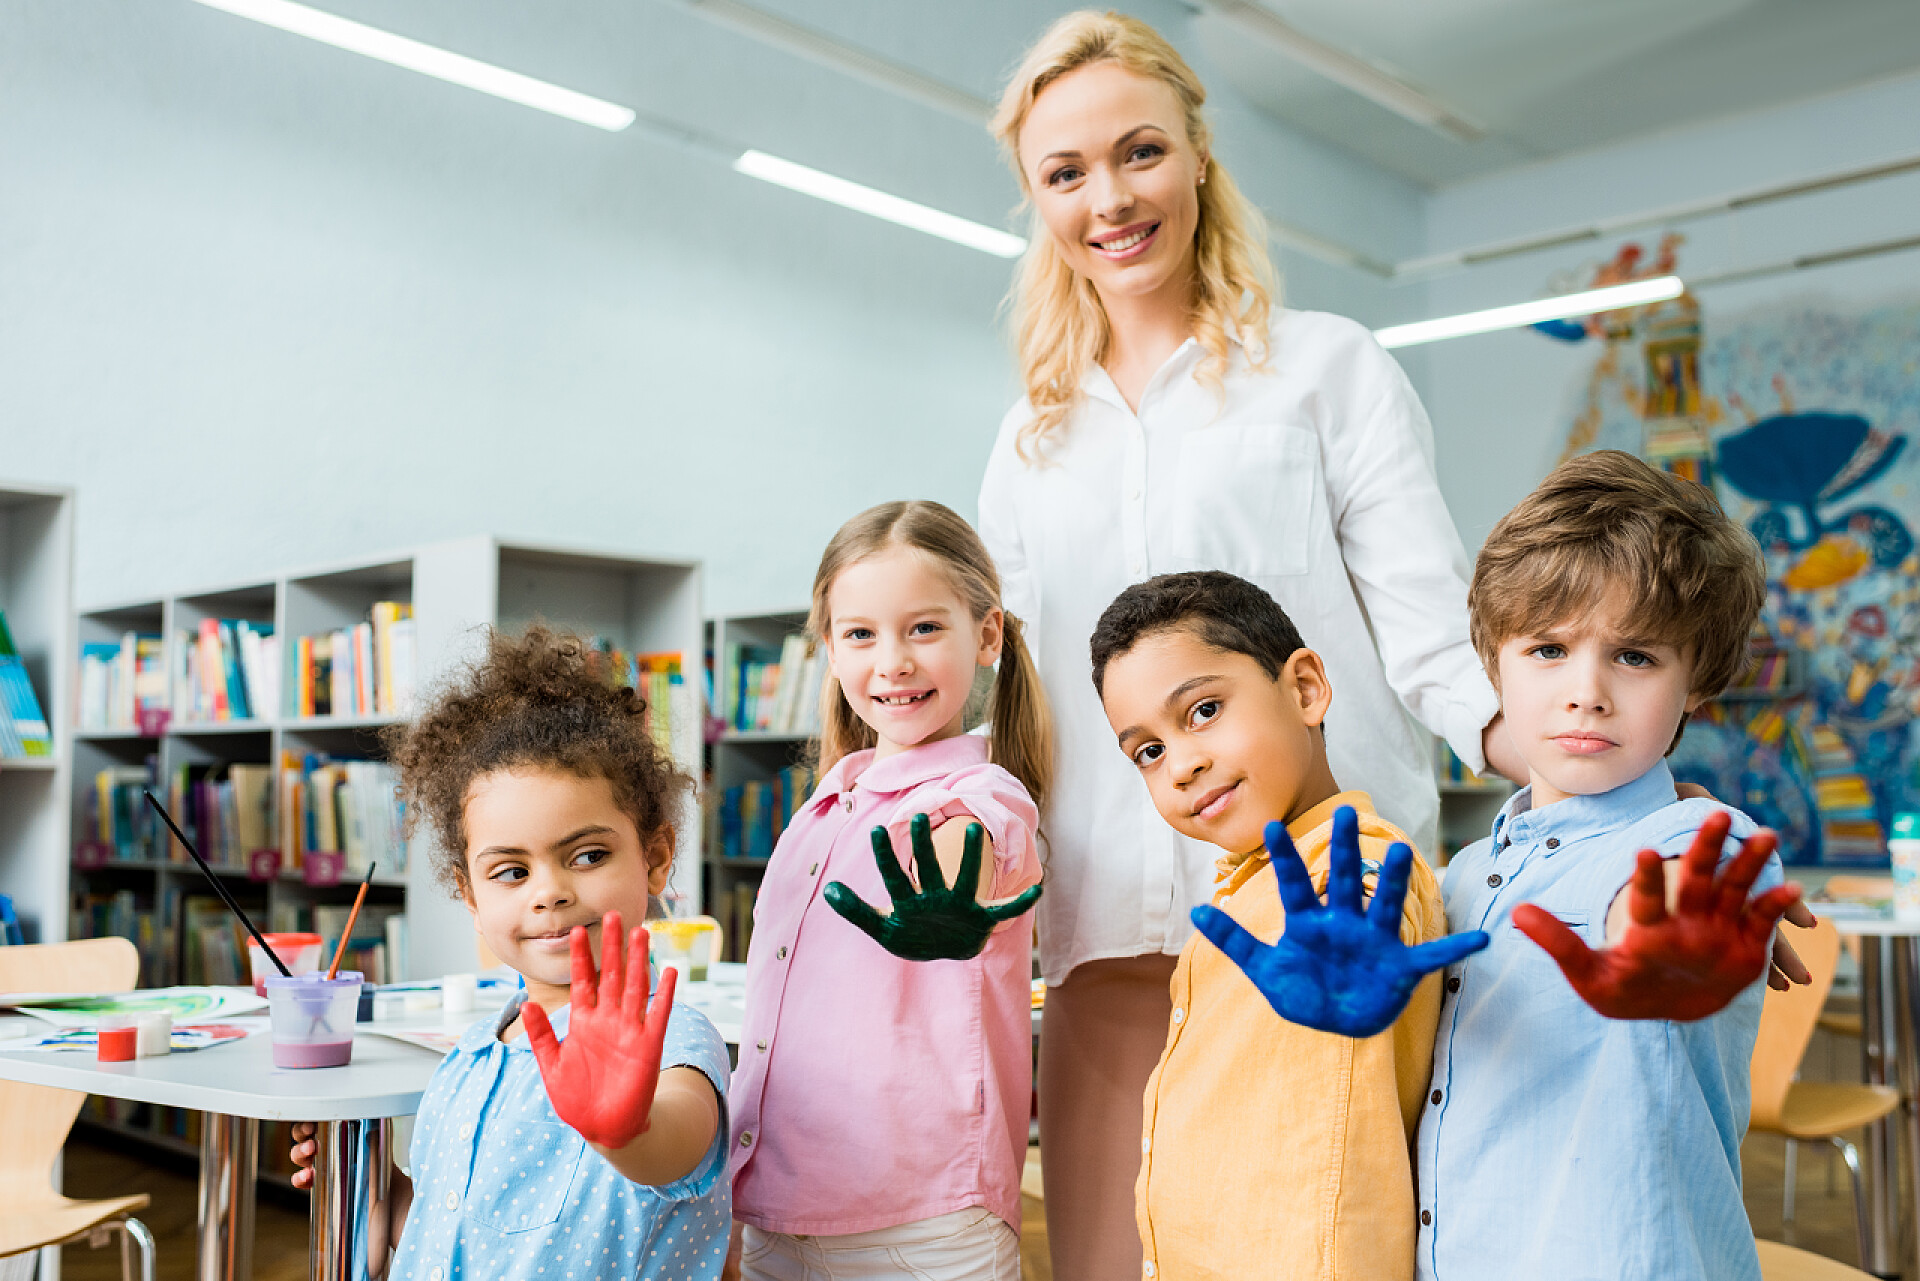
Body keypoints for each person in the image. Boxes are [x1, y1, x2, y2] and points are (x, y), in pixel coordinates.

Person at [976, 13, 1521, 1272]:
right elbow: (1007, 698)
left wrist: (1599, 788)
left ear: (1199, 156)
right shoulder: (1029, 439)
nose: (1108, 197)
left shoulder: (1328, 370)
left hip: (1329, 921)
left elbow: (1433, 628)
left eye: (1140, 152)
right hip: (1107, 925)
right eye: (1064, 173)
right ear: (1035, 200)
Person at [1416, 450, 1802, 1280]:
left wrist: (1661, 953)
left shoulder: (1704, 840)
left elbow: (1656, 905)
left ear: (1697, 682)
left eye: (1635, 656)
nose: (1585, 690)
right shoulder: (1461, 877)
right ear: (1493, 665)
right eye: (1548, 649)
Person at [288, 625, 732, 1279]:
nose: (549, 891)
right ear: (470, 892)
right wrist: (375, 1185)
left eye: (587, 855)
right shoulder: (470, 1057)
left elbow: (671, 1142)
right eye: (511, 872)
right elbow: (450, 1235)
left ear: (656, 857)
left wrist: (627, 1131)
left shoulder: (673, 1042)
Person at [1091, 570, 1487, 1280]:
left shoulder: (1355, 872)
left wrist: (1361, 960)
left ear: (1304, 689)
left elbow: (1369, 913)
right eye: (1147, 751)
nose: (1181, 764)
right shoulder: (1246, 892)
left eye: (1204, 709)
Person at [727, 500, 1052, 1280]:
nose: (892, 661)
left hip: (923, 1223)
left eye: (924, 628)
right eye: (861, 633)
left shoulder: (985, 793)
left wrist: (947, 905)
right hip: (778, 1206)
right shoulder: (824, 803)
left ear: (987, 634)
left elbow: (960, 853)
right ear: (830, 651)